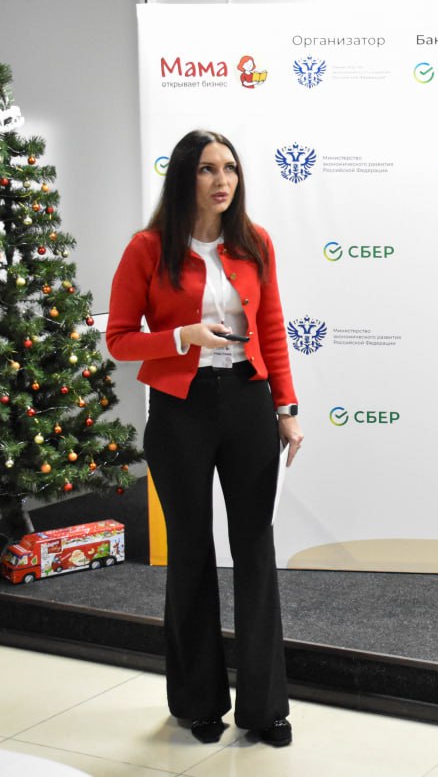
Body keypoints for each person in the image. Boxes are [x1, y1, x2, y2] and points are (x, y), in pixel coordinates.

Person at [106, 130, 303, 747]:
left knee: (254, 548)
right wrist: (180, 337)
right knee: (190, 551)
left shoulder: (255, 243)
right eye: (208, 170)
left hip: (247, 403)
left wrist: (287, 409)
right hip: (180, 411)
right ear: (184, 177)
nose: (223, 181)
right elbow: (118, 340)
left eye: (231, 169)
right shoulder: (147, 249)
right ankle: (198, 701)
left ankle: (265, 708)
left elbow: (272, 328)